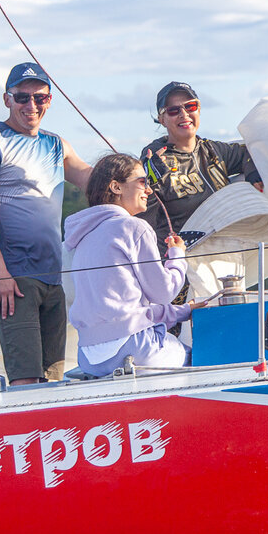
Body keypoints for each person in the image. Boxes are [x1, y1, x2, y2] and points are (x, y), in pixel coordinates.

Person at [0, 62, 92, 384]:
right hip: (13, 278)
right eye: (22, 98)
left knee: (53, 379)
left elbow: (97, 182)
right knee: (26, 380)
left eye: (40, 98)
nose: (31, 106)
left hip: (51, 275)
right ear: (7, 99)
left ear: (50, 100)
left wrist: (137, 173)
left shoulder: (56, 145)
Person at [64, 153, 207, 377]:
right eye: (143, 182)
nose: (149, 190)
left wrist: (183, 311)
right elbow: (164, 292)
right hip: (134, 349)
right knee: (204, 360)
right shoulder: (133, 227)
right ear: (116, 187)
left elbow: (122, 310)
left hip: (90, 358)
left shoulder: (82, 237)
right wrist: (177, 256)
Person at [138, 81, 264, 253]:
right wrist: (151, 179)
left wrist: (252, 173)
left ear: (199, 110)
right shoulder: (154, 158)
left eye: (190, 106)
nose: (184, 114)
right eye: (173, 111)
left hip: (224, 254)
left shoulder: (214, 150)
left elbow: (249, 151)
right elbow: (142, 213)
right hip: (180, 262)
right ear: (162, 120)